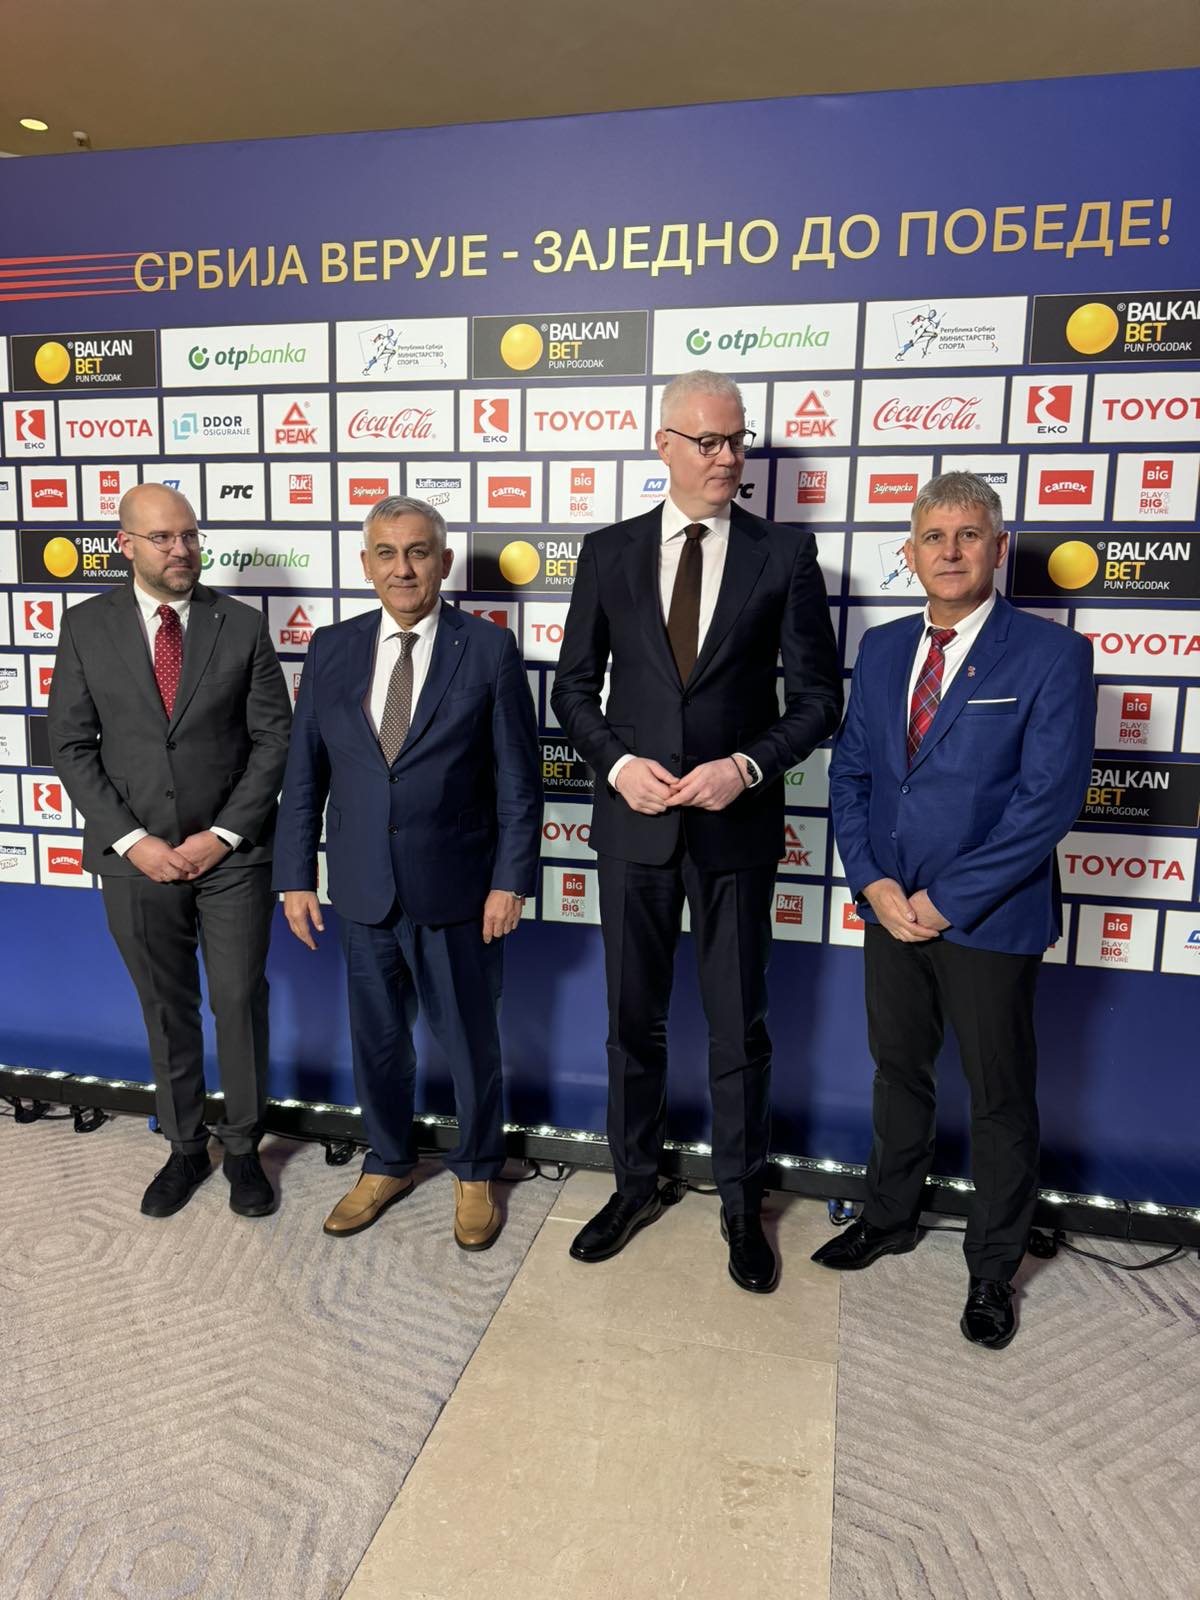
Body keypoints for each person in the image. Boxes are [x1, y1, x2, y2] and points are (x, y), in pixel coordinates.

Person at [551, 370, 842, 1292]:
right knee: (629, 1023)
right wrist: (617, 765)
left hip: (735, 832)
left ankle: (741, 1206)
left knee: (736, 1030)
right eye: (709, 441)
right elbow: (572, 687)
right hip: (632, 828)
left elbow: (819, 700)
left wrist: (746, 767)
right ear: (665, 444)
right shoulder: (608, 552)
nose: (727, 458)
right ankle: (634, 1185)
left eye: (737, 440)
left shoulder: (784, 554)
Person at [815, 471, 1095, 1350]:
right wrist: (873, 884)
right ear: (910, 552)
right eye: (933, 537)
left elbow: (1047, 805)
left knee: (999, 1096)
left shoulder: (1051, 655)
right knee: (898, 1072)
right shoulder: (884, 649)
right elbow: (852, 776)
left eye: (969, 535)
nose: (950, 552)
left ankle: (993, 1267)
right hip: (890, 910)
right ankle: (889, 1214)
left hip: (987, 918)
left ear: (998, 548)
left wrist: (945, 900)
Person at [273, 496, 540, 1249]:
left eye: (419, 552)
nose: (403, 568)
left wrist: (510, 881)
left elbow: (518, 783)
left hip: (458, 891)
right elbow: (305, 774)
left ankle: (476, 1169)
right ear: (366, 565)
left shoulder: (487, 649)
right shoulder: (330, 648)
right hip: (362, 889)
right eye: (386, 553)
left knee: (470, 1045)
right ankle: (387, 1161)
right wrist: (296, 875)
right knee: (378, 1042)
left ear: (443, 562)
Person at [48, 483, 292, 1219]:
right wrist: (135, 842)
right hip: (135, 859)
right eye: (163, 537)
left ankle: (243, 1149)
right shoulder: (85, 626)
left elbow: (273, 740)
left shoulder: (241, 625)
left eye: (189, 535)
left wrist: (222, 835)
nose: (182, 550)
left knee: (238, 1002)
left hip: (232, 857)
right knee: (164, 1006)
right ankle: (186, 1147)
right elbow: (70, 743)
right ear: (125, 544)